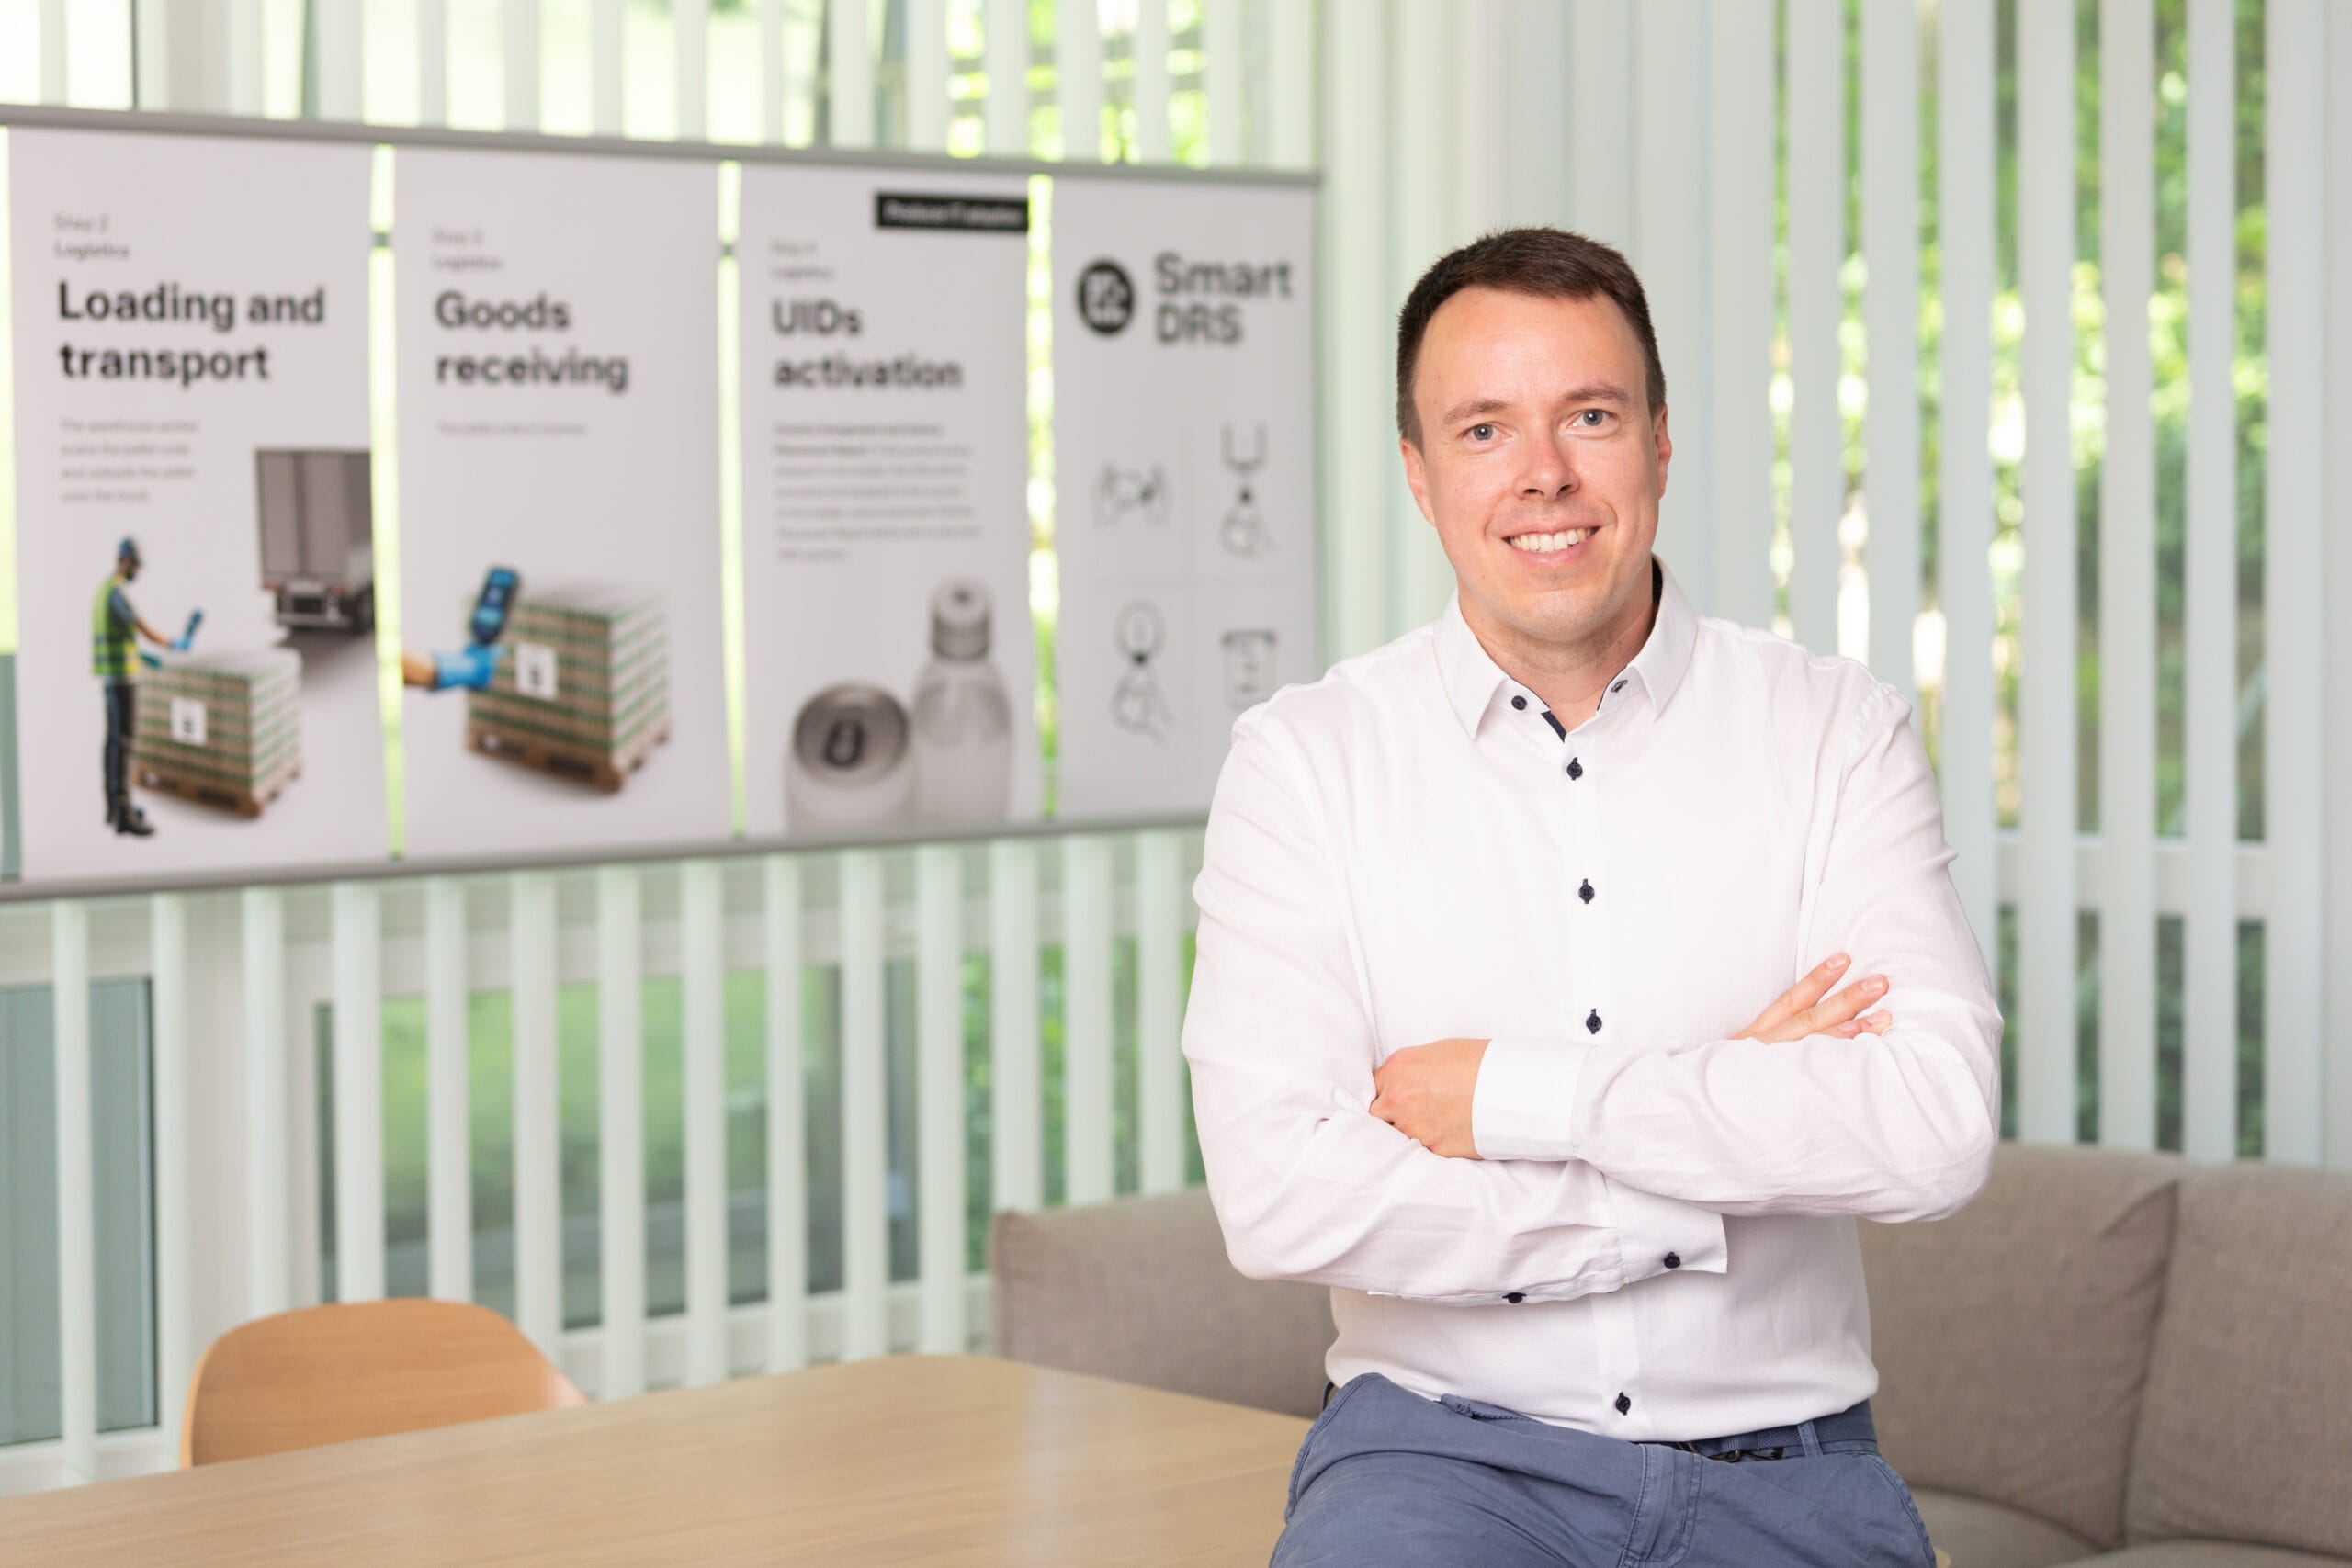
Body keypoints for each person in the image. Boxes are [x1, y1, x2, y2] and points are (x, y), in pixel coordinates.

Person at [1182, 228, 1998, 1567]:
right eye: (1484, 428)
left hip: (1787, 1471)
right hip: (1439, 1464)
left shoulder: (1831, 731)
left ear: (1660, 443)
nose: (1543, 473)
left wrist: (1513, 1098)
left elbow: (1934, 1123)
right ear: (1419, 472)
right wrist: (1697, 1169)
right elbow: (1281, 1196)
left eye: (1591, 416)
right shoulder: (1304, 762)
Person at [91, 536, 182, 838]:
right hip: (122, 681)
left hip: (111, 678)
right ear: (127, 561)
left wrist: (144, 658)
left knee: (113, 743)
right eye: (137, 566)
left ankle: (113, 809)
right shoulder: (116, 594)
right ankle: (125, 813)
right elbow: (140, 627)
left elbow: (121, 636)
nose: (137, 572)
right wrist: (171, 643)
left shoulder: (104, 591)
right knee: (124, 743)